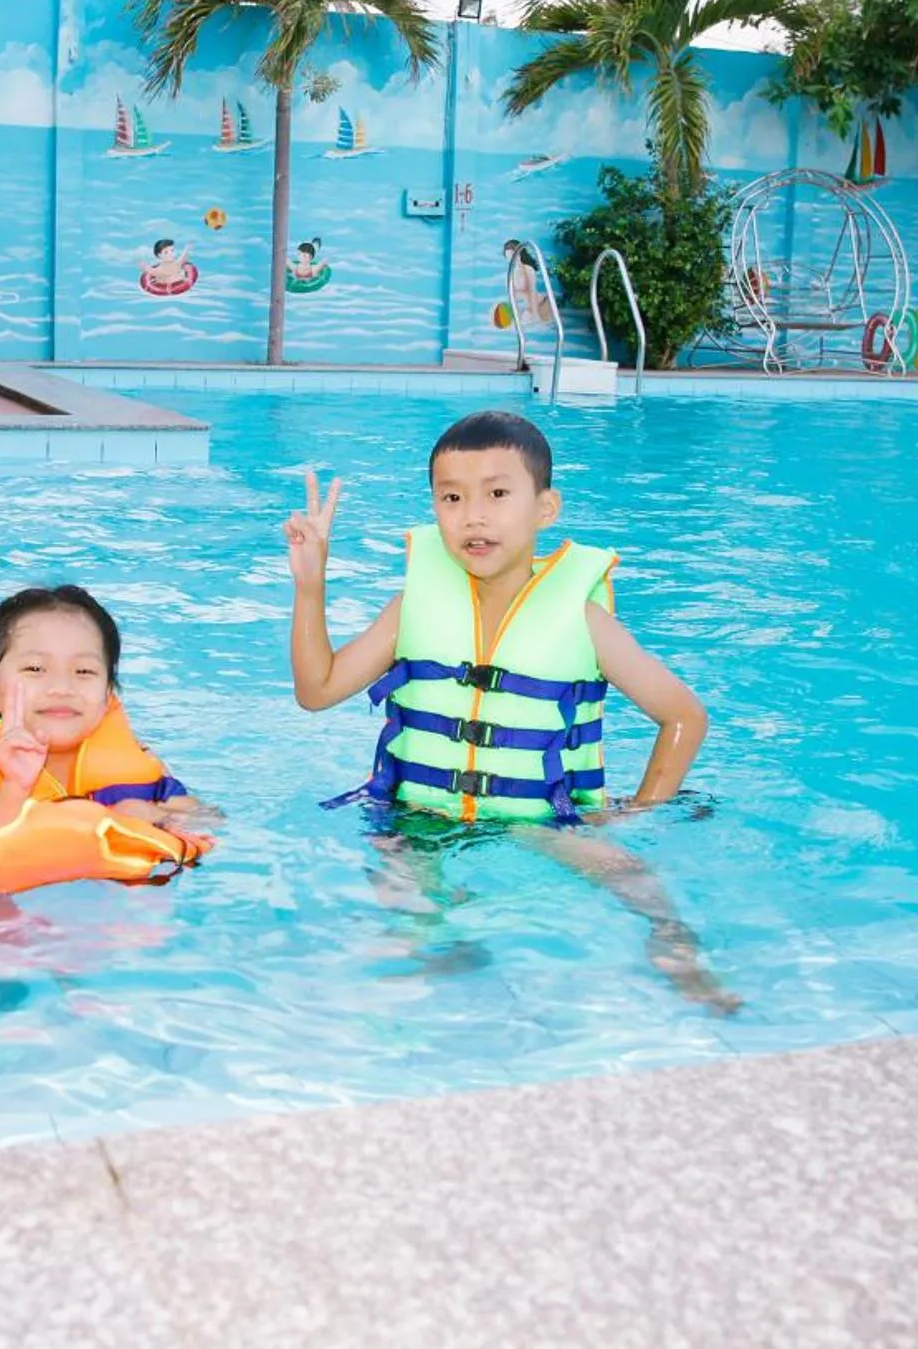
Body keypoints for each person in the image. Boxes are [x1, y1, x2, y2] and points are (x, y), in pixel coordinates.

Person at [284, 410, 737, 1011]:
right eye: (451, 497)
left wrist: (636, 813)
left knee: (633, 880)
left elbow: (684, 717)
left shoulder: (581, 619)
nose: (473, 515)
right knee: (406, 920)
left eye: (498, 493)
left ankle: (675, 946)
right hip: (419, 818)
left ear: (545, 509)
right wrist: (311, 584)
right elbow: (317, 691)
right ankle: (445, 959)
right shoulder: (411, 607)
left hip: (539, 819)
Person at [0, 585, 213, 852]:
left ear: (107, 693)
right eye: (35, 668)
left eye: (83, 671)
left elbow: (207, 818)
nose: (62, 687)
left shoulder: (134, 755)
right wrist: (14, 787)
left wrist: (151, 815)